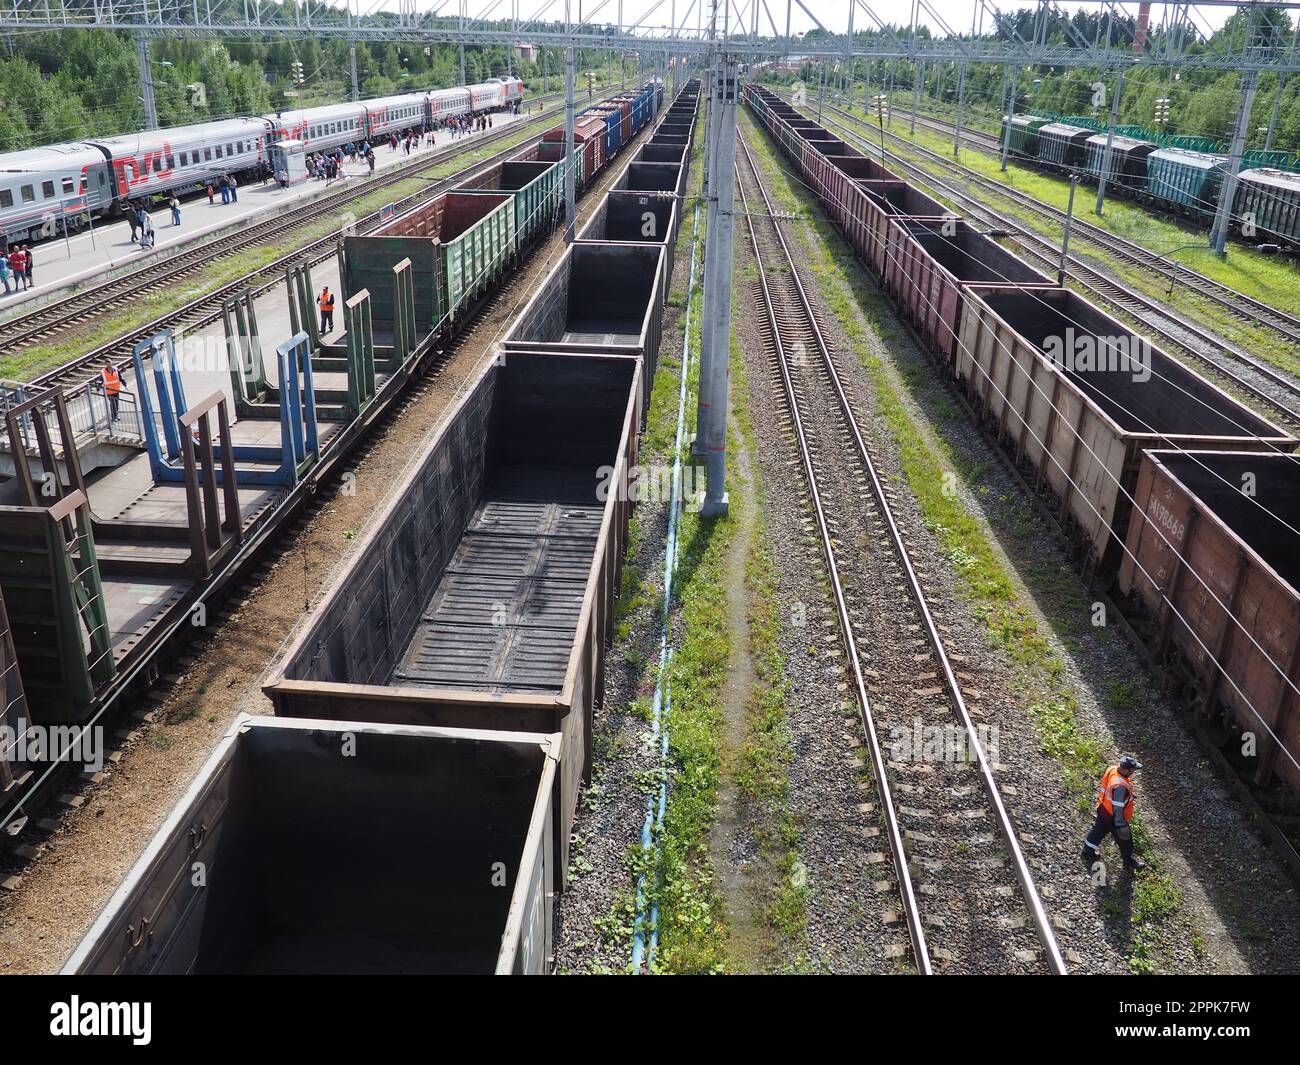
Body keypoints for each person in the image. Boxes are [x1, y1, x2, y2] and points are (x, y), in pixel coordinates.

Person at [1081, 756, 1145, 871]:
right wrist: (1121, 825)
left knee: (1097, 832)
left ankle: (1087, 851)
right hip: (1114, 818)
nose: (1134, 771)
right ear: (1127, 770)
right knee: (1126, 840)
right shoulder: (1120, 787)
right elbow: (1117, 808)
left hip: (1103, 808)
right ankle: (1129, 861)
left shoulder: (1113, 769)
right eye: (1133, 769)